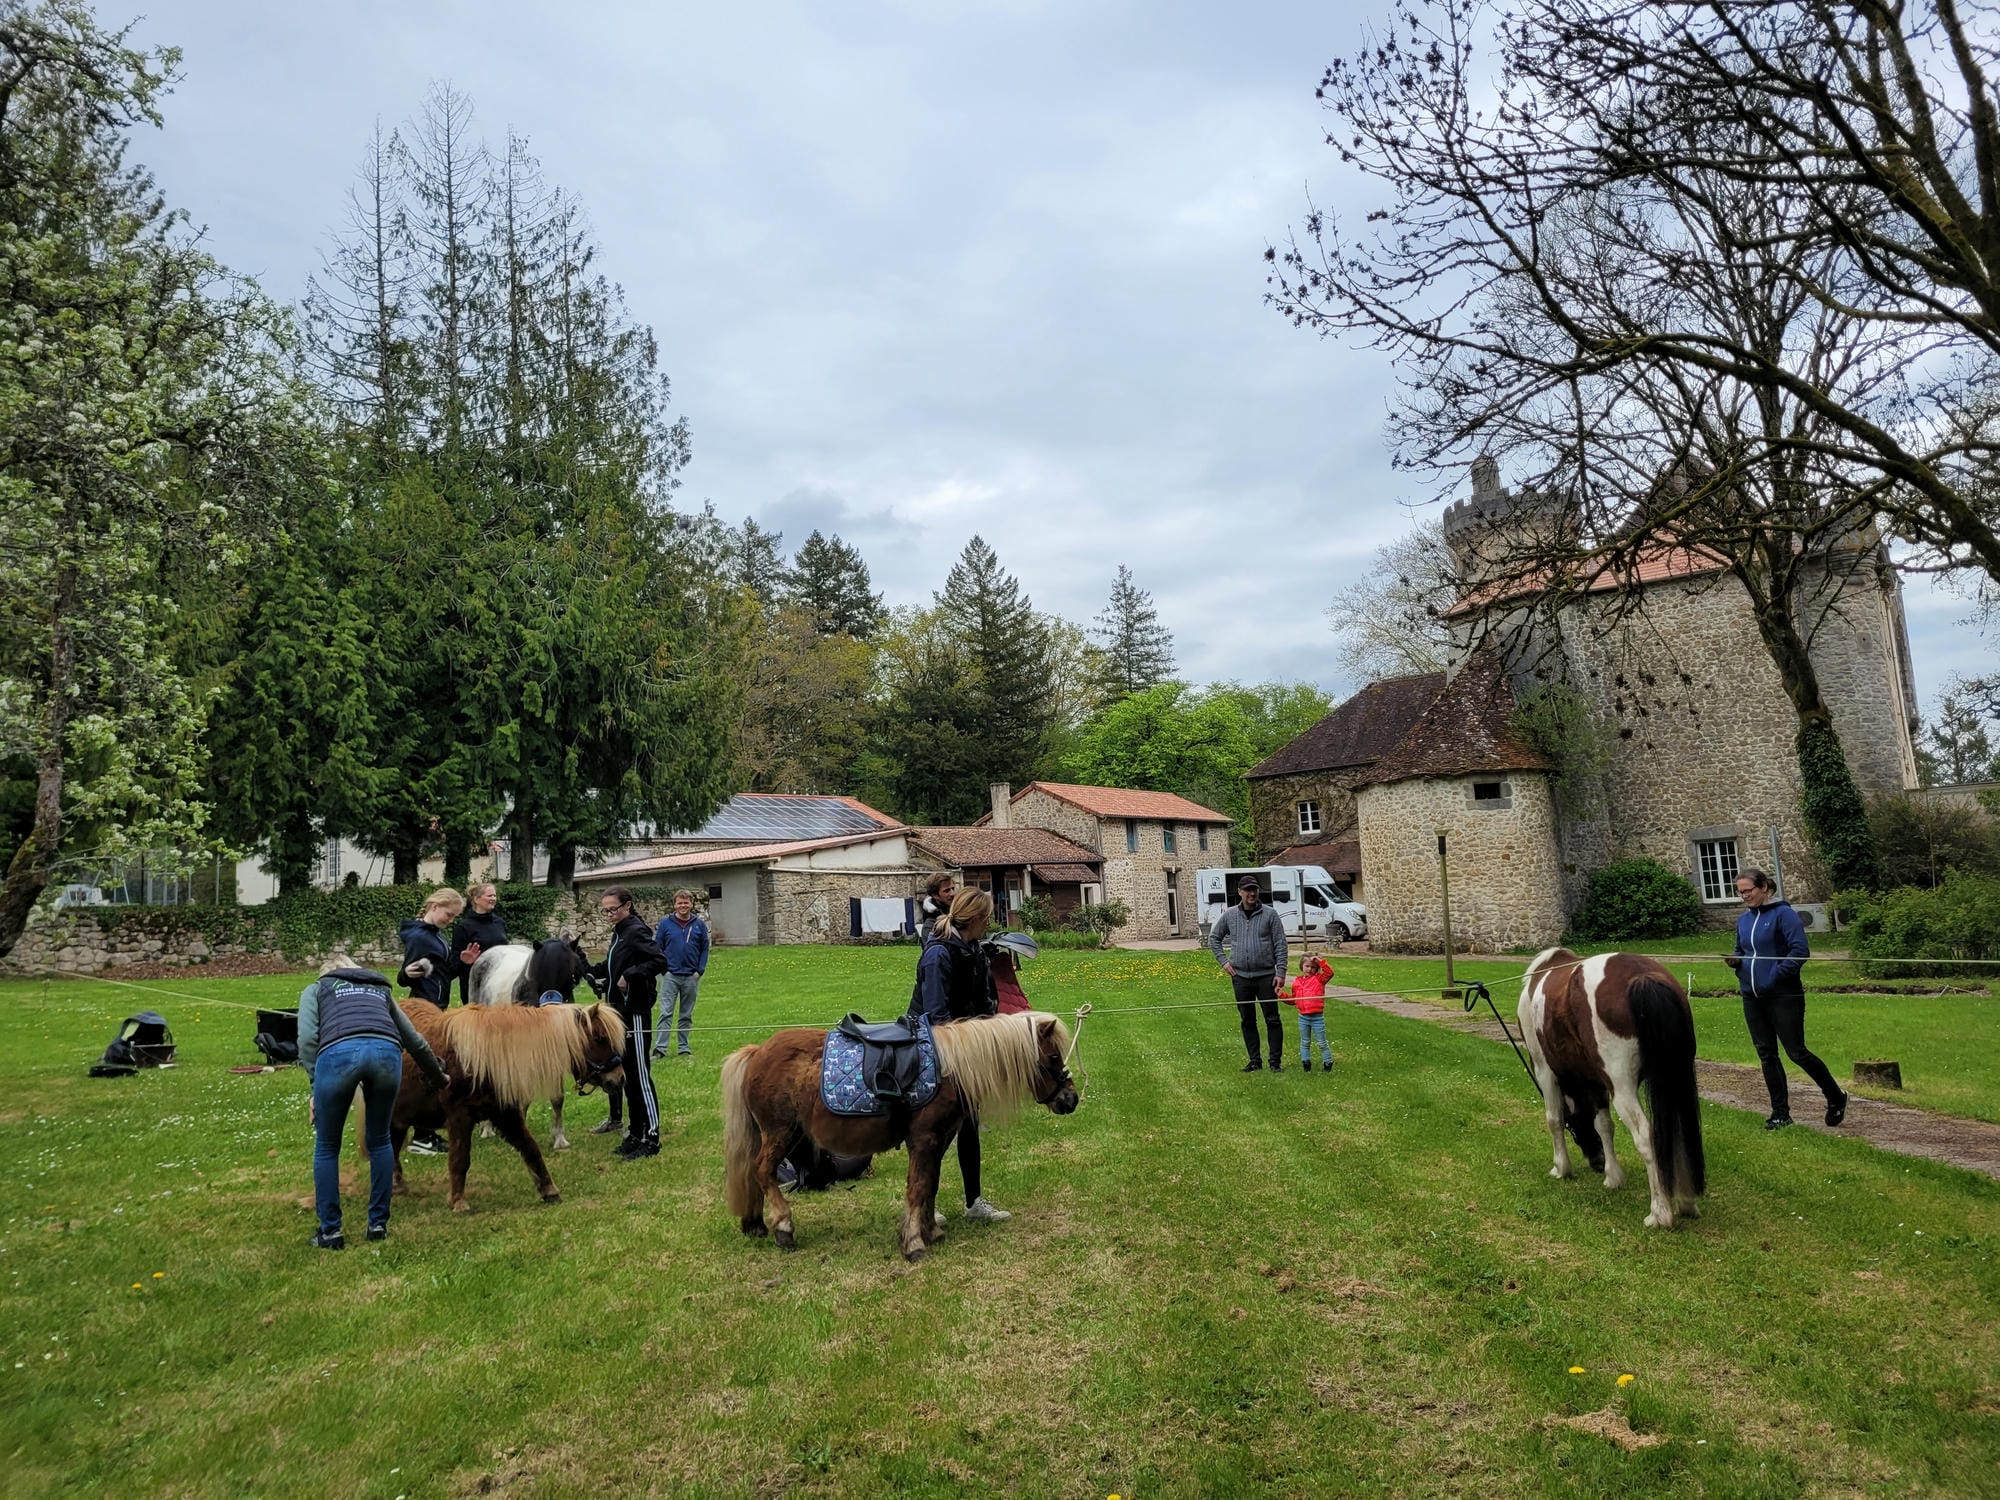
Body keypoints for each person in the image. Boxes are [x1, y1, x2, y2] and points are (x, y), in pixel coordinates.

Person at [297, 955, 449, 1249]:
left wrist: (316, 1088)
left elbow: (306, 1040)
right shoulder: (380, 989)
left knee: (328, 1146)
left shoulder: (317, 989)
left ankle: (331, 1232)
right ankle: (377, 1224)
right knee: (380, 1141)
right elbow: (414, 1041)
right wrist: (438, 1075)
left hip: (338, 1054)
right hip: (386, 1055)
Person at [909, 888, 1010, 1223]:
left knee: (968, 1124)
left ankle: (973, 1202)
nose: (990, 922)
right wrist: (964, 1051)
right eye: (988, 916)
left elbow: (984, 1003)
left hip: (963, 1047)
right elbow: (936, 1016)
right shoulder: (938, 954)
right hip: (932, 1048)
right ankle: (923, 1204)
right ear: (977, 919)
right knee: (931, 1133)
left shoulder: (974, 950)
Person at [1727, 867, 1847, 1130]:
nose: (1744, 896)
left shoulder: (1784, 915)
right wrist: (1737, 961)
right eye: (1740, 892)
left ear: (1764, 888)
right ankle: (1780, 1113)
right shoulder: (1744, 920)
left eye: (1748, 891)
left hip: (1783, 995)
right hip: (1752, 996)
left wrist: (1774, 977)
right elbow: (1742, 949)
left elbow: (1800, 951)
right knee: (1766, 1054)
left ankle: (1836, 1096)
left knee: (1796, 1052)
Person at [589, 885, 669, 1158]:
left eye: (613, 909)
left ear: (627, 906)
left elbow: (659, 960)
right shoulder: (620, 934)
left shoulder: (635, 930)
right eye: (605, 910)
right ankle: (635, 1133)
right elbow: (612, 967)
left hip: (634, 1012)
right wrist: (592, 970)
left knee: (640, 1076)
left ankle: (652, 1136)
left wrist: (632, 974)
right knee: (629, 1078)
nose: (609, 914)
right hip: (618, 1014)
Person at [399, 888, 481, 1154]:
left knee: (437, 1066)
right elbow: (405, 976)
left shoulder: (436, 937)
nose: (450, 919)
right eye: (449, 914)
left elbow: (442, 975)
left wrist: (463, 964)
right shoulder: (418, 937)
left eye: (454, 916)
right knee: (428, 1068)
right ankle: (422, 1135)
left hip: (438, 1006)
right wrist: (408, 974)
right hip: (424, 1008)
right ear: (434, 906)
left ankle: (427, 1133)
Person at [1209, 875, 1289, 1072]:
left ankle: (1275, 1063)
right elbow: (1214, 938)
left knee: (1272, 1019)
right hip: (1241, 977)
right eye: (1247, 890)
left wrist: (1281, 972)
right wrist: (1224, 963)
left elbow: (1280, 944)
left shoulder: (1270, 915)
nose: (1251, 893)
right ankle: (1255, 1060)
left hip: (1266, 976)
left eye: (1254, 889)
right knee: (1247, 1020)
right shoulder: (1230, 916)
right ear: (1240, 892)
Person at [652, 888, 710, 1059]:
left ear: (691, 904)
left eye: (686, 902)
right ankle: (660, 1049)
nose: (683, 906)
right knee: (665, 1013)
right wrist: (664, 969)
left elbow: (704, 949)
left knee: (686, 1015)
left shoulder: (699, 925)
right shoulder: (665, 924)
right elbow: (657, 948)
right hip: (671, 975)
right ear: (674, 905)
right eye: (680, 903)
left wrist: (699, 971)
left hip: (691, 976)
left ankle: (684, 1048)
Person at [451, 882, 508, 1007]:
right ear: (476, 899)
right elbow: (453, 965)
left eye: (494, 896)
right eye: (489, 896)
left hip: (500, 984)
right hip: (475, 986)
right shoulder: (463, 927)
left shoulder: (500, 923)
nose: (493, 899)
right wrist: (464, 962)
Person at [1282, 954, 1335, 1072]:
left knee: (1321, 1042)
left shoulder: (1319, 979)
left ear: (1316, 969)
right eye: (1307, 966)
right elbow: (1294, 1000)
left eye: (1313, 967)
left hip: (1317, 1018)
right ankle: (1306, 1063)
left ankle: (1328, 1062)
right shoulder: (1297, 982)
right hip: (1303, 1018)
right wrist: (1281, 995)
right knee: (1305, 1042)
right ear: (1301, 966)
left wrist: (1320, 961)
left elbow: (1330, 973)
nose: (1309, 969)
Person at [917, 871, 955, 948]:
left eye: (953, 888)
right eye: (947, 890)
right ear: (935, 895)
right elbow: (933, 954)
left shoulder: (955, 912)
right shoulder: (930, 925)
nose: (952, 893)